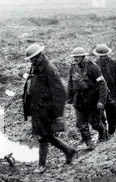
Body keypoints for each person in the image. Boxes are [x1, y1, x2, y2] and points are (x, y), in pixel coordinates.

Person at [23, 44, 76, 174]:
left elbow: (61, 92)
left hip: (47, 109)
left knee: (43, 137)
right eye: (30, 59)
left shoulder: (49, 69)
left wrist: (57, 114)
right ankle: (69, 150)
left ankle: (41, 165)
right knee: (46, 135)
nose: (30, 61)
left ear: (38, 57)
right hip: (37, 108)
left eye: (32, 58)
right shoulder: (35, 67)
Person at [68, 47, 109, 150]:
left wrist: (101, 101)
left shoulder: (93, 67)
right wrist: (69, 96)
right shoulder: (72, 68)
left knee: (95, 123)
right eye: (74, 57)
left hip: (92, 100)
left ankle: (103, 131)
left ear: (83, 56)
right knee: (81, 124)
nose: (75, 58)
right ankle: (89, 144)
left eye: (77, 56)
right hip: (79, 101)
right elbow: (70, 83)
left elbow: (102, 84)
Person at [94, 44, 116, 136]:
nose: (103, 57)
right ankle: (104, 134)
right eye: (101, 56)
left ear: (107, 54)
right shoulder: (95, 64)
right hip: (100, 94)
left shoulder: (113, 63)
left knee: (112, 115)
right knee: (101, 115)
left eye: (104, 56)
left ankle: (111, 133)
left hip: (112, 93)